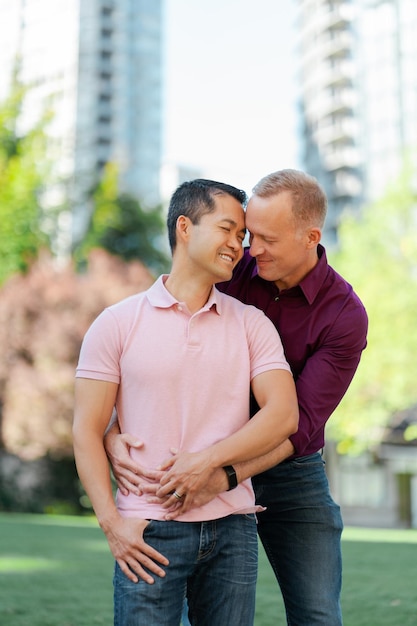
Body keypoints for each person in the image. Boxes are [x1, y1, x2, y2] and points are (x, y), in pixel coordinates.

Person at [105, 169, 368, 626]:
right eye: (249, 234)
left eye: (266, 238)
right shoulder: (231, 268)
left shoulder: (344, 315)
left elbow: (297, 422)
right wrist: (110, 431)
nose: (251, 248)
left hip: (290, 469)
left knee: (318, 612)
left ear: (310, 238)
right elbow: (157, 344)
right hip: (202, 455)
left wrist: (224, 473)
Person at [73, 178, 298, 626]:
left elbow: (283, 415)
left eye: (242, 236)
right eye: (227, 229)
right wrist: (113, 525)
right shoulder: (116, 323)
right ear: (184, 227)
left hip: (233, 527)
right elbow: (86, 429)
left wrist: (208, 462)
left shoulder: (252, 325)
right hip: (148, 532)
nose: (239, 245)